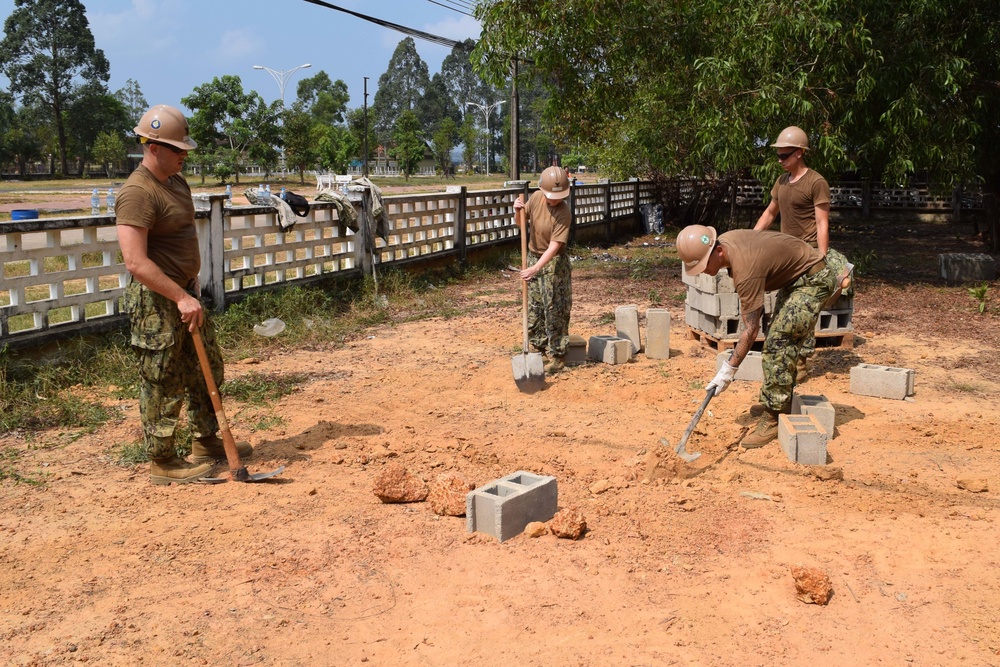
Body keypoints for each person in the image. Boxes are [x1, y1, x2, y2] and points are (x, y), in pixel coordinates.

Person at [116, 104, 252, 485]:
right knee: (163, 380)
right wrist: (179, 296)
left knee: (204, 368)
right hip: (158, 301)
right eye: (178, 150)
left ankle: (206, 440)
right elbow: (135, 262)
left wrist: (190, 287)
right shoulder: (137, 193)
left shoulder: (176, 182)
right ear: (154, 146)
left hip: (185, 294)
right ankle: (163, 461)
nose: (184, 156)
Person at [677, 224, 835, 448]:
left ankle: (774, 415)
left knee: (778, 343)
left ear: (718, 252)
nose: (702, 270)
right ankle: (780, 399)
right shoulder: (725, 242)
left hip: (813, 280)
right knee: (778, 337)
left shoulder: (745, 270)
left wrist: (727, 371)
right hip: (796, 277)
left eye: (703, 264)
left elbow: (751, 331)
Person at [753, 126, 851, 381]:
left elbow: (822, 223)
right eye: (778, 155)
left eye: (784, 155)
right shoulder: (782, 182)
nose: (779, 160)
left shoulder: (816, 183)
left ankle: (801, 362)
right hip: (787, 257)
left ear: (799, 153)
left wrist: (822, 256)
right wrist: (751, 239)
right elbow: (770, 213)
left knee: (802, 310)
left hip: (807, 258)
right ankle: (789, 361)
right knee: (784, 309)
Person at [513, 165, 573, 374]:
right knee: (535, 307)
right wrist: (517, 209)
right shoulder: (537, 198)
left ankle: (557, 355)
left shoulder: (563, 212)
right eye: (551, 196)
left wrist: (536, 268)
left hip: (553, 263)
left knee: (554, 308)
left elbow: (555, 245)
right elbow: (521, 223)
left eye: (558, 196)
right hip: (533, 256)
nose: (554, 200)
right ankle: (538, 348)